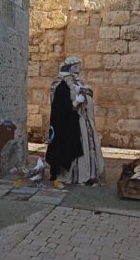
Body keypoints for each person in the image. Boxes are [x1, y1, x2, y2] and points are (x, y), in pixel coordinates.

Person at [47, 56, 104, 189]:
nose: (80, 68)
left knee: (86, 144)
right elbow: (59, 106)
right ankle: (72, 175)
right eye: (77, 66)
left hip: (83, 120)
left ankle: (87, 173)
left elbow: (87, 94)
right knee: (73, 145)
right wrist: (75, 103)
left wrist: (85, 95)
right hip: (69, 123)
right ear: (71, 67)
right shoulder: (60, 83)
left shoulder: (79, 81)